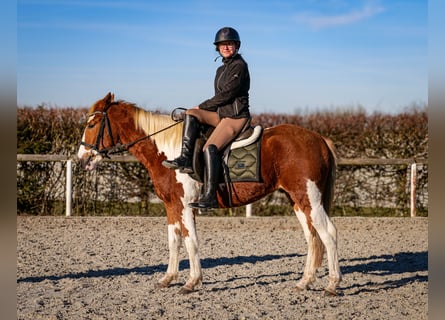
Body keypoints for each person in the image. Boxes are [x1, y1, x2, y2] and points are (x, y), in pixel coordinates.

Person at [162, 26, 251, 209]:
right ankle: (185, 158)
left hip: (236, 118)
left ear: (236, 46)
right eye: (222, 45)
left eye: (229, 44)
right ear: (217, 48)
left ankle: (209, 196)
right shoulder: (220, 70)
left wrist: (202, 106)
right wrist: (199, 110)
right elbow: (219, 100)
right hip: (221, 115)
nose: (225, 47)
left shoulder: (240, 66)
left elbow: (227, 95)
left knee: (210, 148)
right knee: (190, 114)